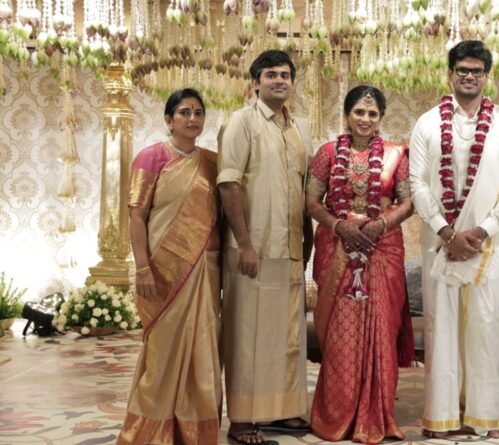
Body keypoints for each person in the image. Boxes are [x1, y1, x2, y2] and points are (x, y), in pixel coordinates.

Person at [409, 39, 499, 439]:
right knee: (441, 330)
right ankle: (442, 417)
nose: (469, 76)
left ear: (486, 76)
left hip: (489, 245)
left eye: (477, 71)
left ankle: (487, 417)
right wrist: (446, 231)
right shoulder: (427, 123)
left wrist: (481, 231)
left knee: (488, 328)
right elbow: (417, 183)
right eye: (462, 70)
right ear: (450, 74)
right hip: (441, 245)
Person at [306, 85, 415, 444]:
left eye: (372, 114)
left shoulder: (396, 155)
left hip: (382, 250)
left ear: (380, 118)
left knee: (381, 332)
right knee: (340, 336)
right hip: (337, 249)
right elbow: (312, 201)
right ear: (347, 115)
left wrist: (379, 225)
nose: (365, 119)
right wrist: (340, 226)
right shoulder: (326, 153)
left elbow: (407, 202)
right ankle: (336, 414)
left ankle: (377, 417)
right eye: (359, 112)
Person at [217, 49, 313, 445]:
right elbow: (228, 184)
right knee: (247, 335)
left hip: (289, 247)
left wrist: (307, 240)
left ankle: (282, 410)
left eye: (285, 74)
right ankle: (242, 420)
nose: (279, 80)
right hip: (252, 248)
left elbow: (303, 189)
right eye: (271, 74)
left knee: (287, 334)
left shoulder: (299, 128)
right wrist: (244, 244)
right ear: (255, 83)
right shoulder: (241, 122)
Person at [118, 88, 222, 445]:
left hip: (204, 269)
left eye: (198, 112)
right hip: (164, 270)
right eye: (184, 112)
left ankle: (196, 428)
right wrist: (142, 268)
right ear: (168, 120)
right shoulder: (151, 157)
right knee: (162, 352)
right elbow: (137, 216)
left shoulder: (212, 162)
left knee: (202, 348)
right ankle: (151, 429)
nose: (192, 118)